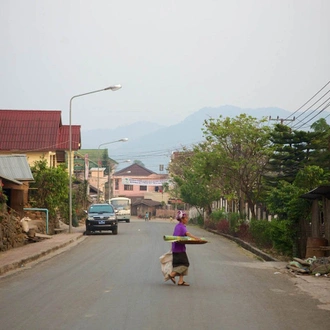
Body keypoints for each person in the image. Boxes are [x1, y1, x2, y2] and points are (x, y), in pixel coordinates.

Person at [168, 210, 202, 286]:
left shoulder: (177, 226)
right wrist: (197, 238)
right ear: (182, 219)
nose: (187, 219)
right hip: (179, 249)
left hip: (175, 248)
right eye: (186, 218)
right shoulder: (182, 227)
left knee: (179, 265)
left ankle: (181, 281)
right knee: (185, 264)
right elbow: (188, 234)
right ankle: (172, 274)